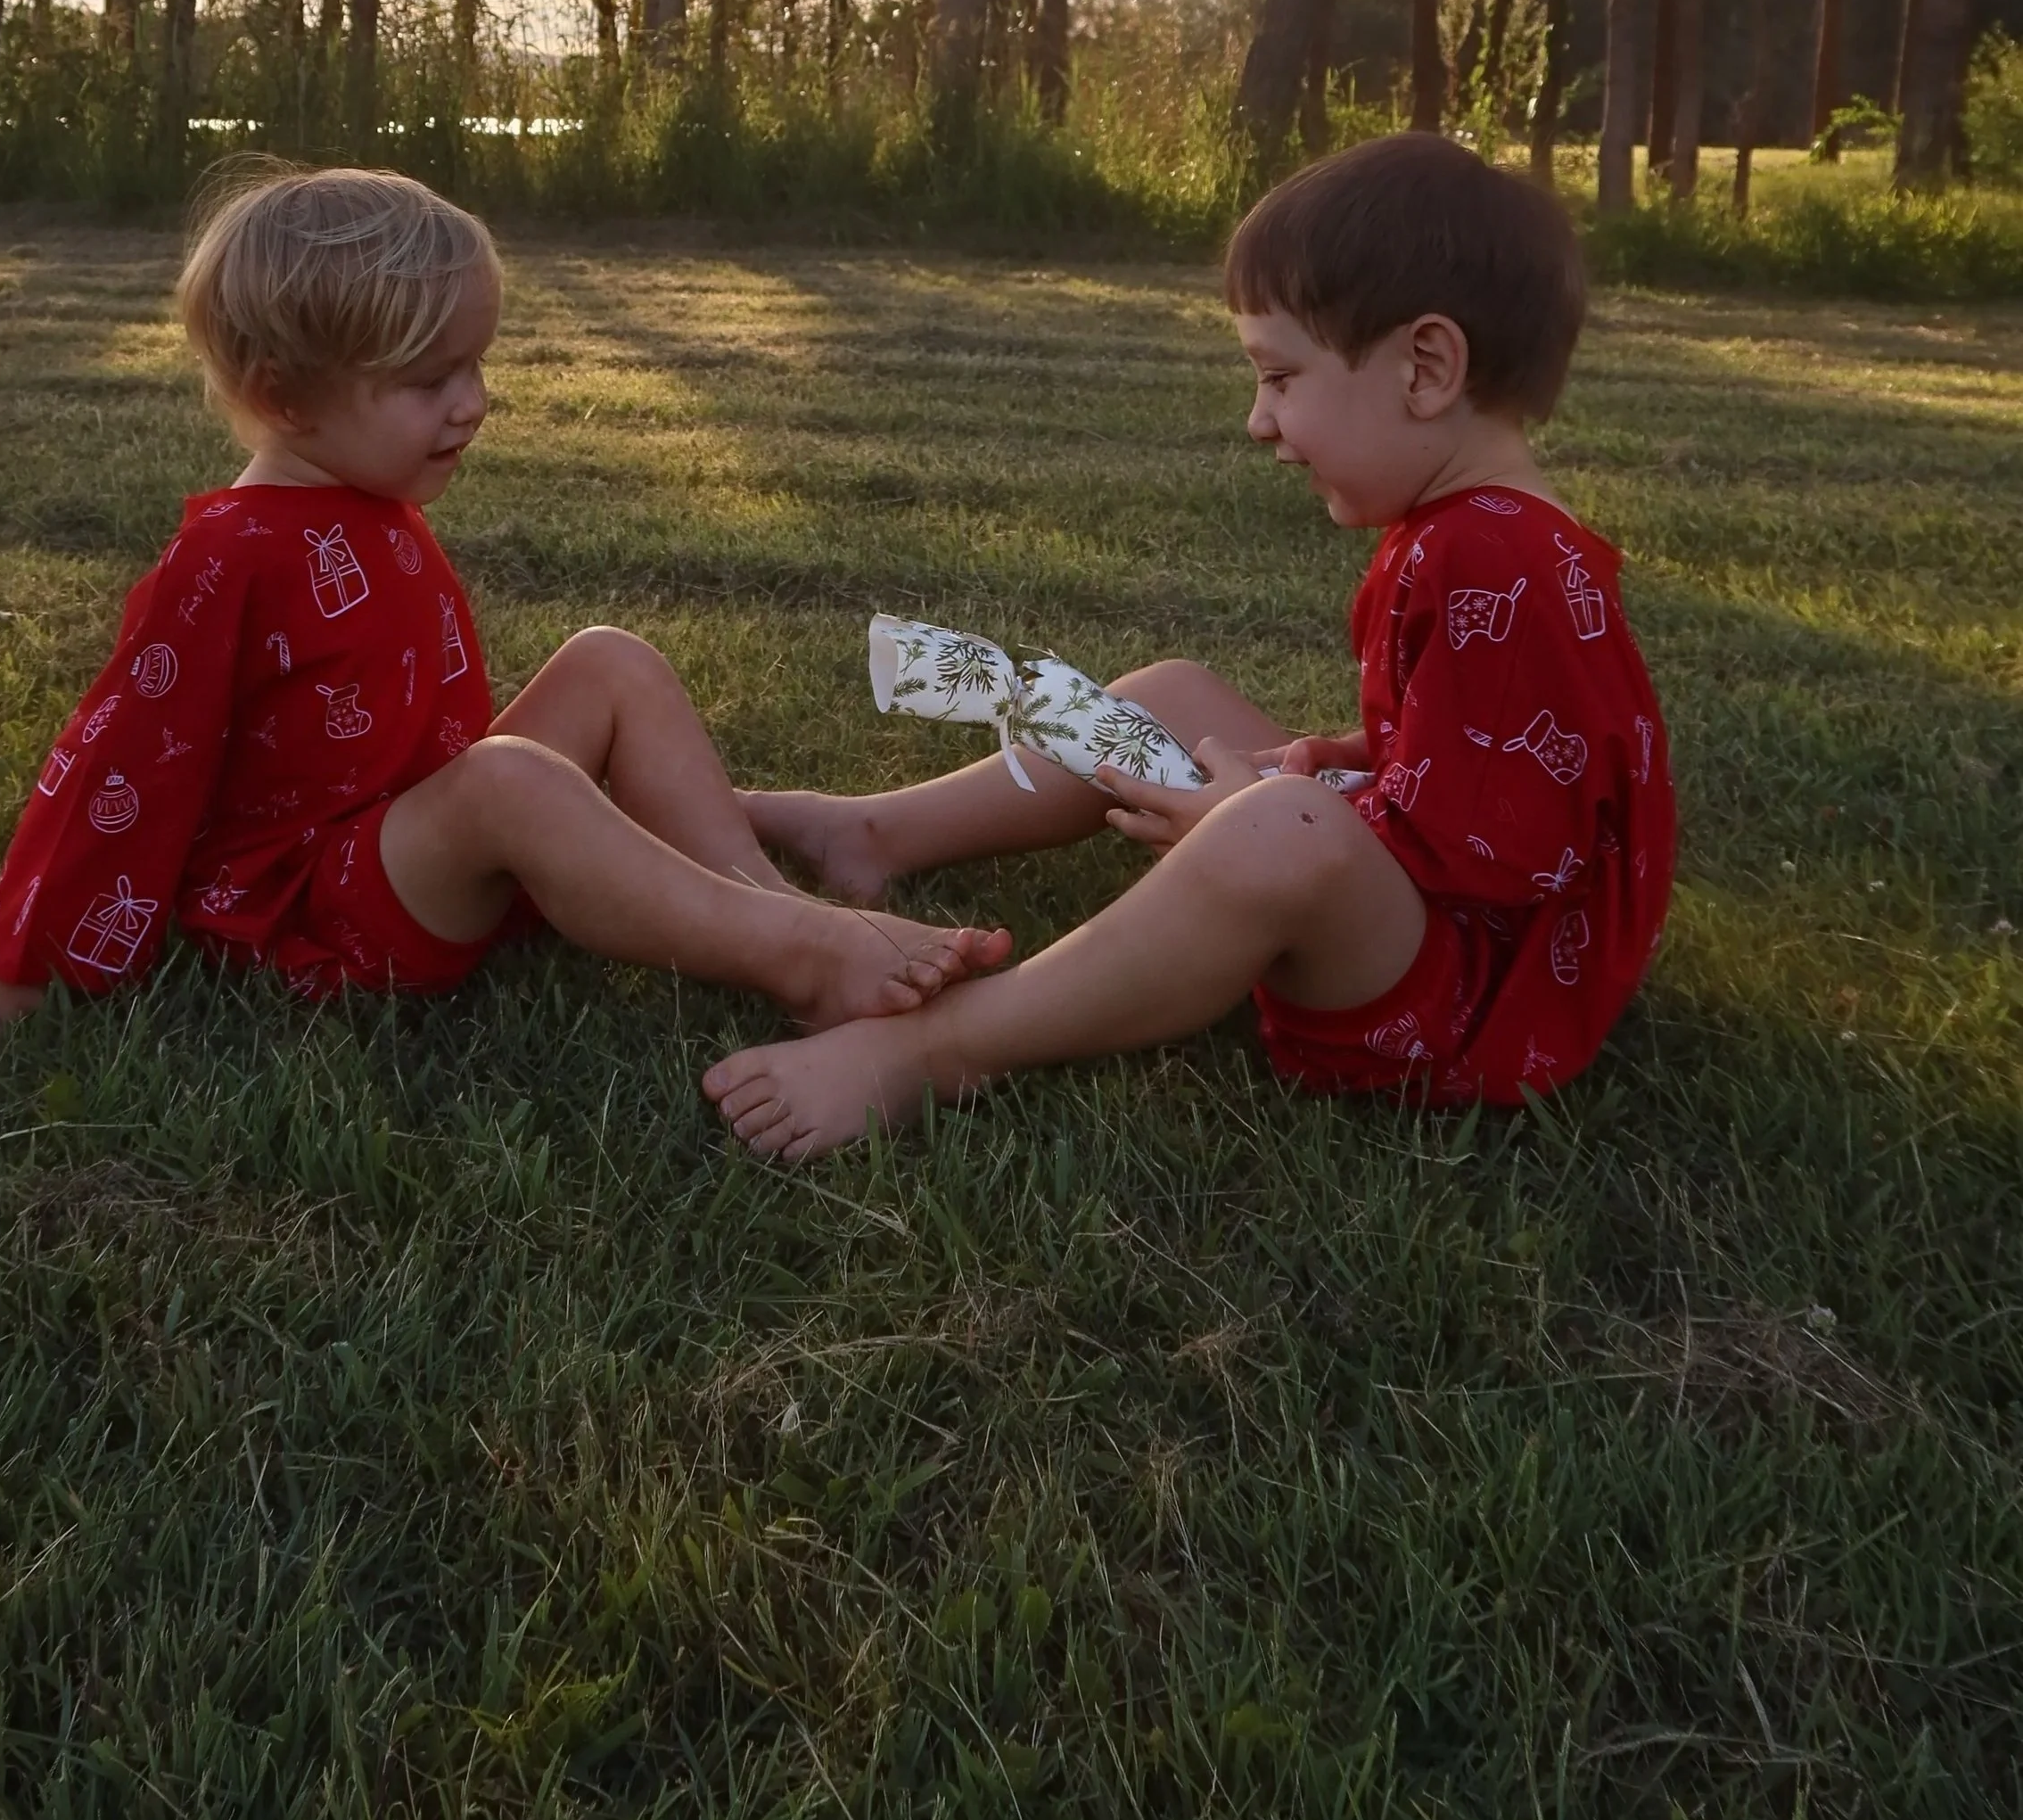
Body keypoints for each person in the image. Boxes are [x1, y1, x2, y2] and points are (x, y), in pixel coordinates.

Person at [706, 132, 1675, 1163]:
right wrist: (1332, 766)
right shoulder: (1476, 532)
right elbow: (1471, 759)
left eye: (1280, 377)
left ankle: (933, 1051)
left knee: (1276, 832)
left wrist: (1253, 813)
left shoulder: (1491, 556)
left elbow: (1498, 860)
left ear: (1425, 367)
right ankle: (875, 833)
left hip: (1473, 996)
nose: (1259, 421)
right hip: (1444, 920)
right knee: (1174, 697)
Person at [0, 167, 1007, 1051]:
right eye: (429, 379)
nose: (474, 402)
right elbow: (112, 775)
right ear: (286, 398)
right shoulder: (227, 557)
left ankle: (779, 911)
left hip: (408, 847)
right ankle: (800, 960)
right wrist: (13, 985)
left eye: (477, 364)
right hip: (312, 920)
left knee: (608, 662)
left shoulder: (364, 496)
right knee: (511, 782)